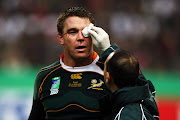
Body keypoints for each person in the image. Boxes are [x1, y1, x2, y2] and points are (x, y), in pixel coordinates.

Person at [28, 7, 119, 120]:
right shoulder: (45, 77)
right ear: (60, 38)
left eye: (86, 32)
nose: (81, 38)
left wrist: (110, 51)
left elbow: (142, 98)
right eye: (73, 32)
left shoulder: (111, 72)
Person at [99, 50, 159, 120]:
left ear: (108, 76)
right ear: (139, 73)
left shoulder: (129, 115)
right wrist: (108, 49)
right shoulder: (145, 97)